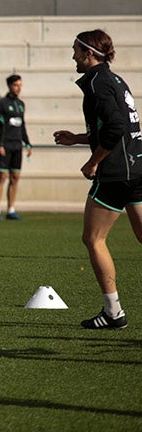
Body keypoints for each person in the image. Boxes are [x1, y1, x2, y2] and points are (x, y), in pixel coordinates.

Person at [53, 29, 142, 330]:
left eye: (76, 51)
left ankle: (113, 312)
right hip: (137, 166)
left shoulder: (95, 82)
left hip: (116, 172)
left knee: (93, 239)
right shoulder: (116, 79)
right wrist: (77, 138)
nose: (73, 56)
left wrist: (93, 161)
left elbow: (115, 126)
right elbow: (117, 125)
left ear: (89, 53)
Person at [0, 74, 32, 221]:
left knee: (15, 177)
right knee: (2, 176)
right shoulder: (1, 104)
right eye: (16, 85)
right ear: (9, 86)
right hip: (5, 145)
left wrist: (27, 143)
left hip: (16, 146)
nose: (18, 88)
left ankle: (11, 209)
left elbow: (22, 125)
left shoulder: (21, 104)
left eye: (20, 85)